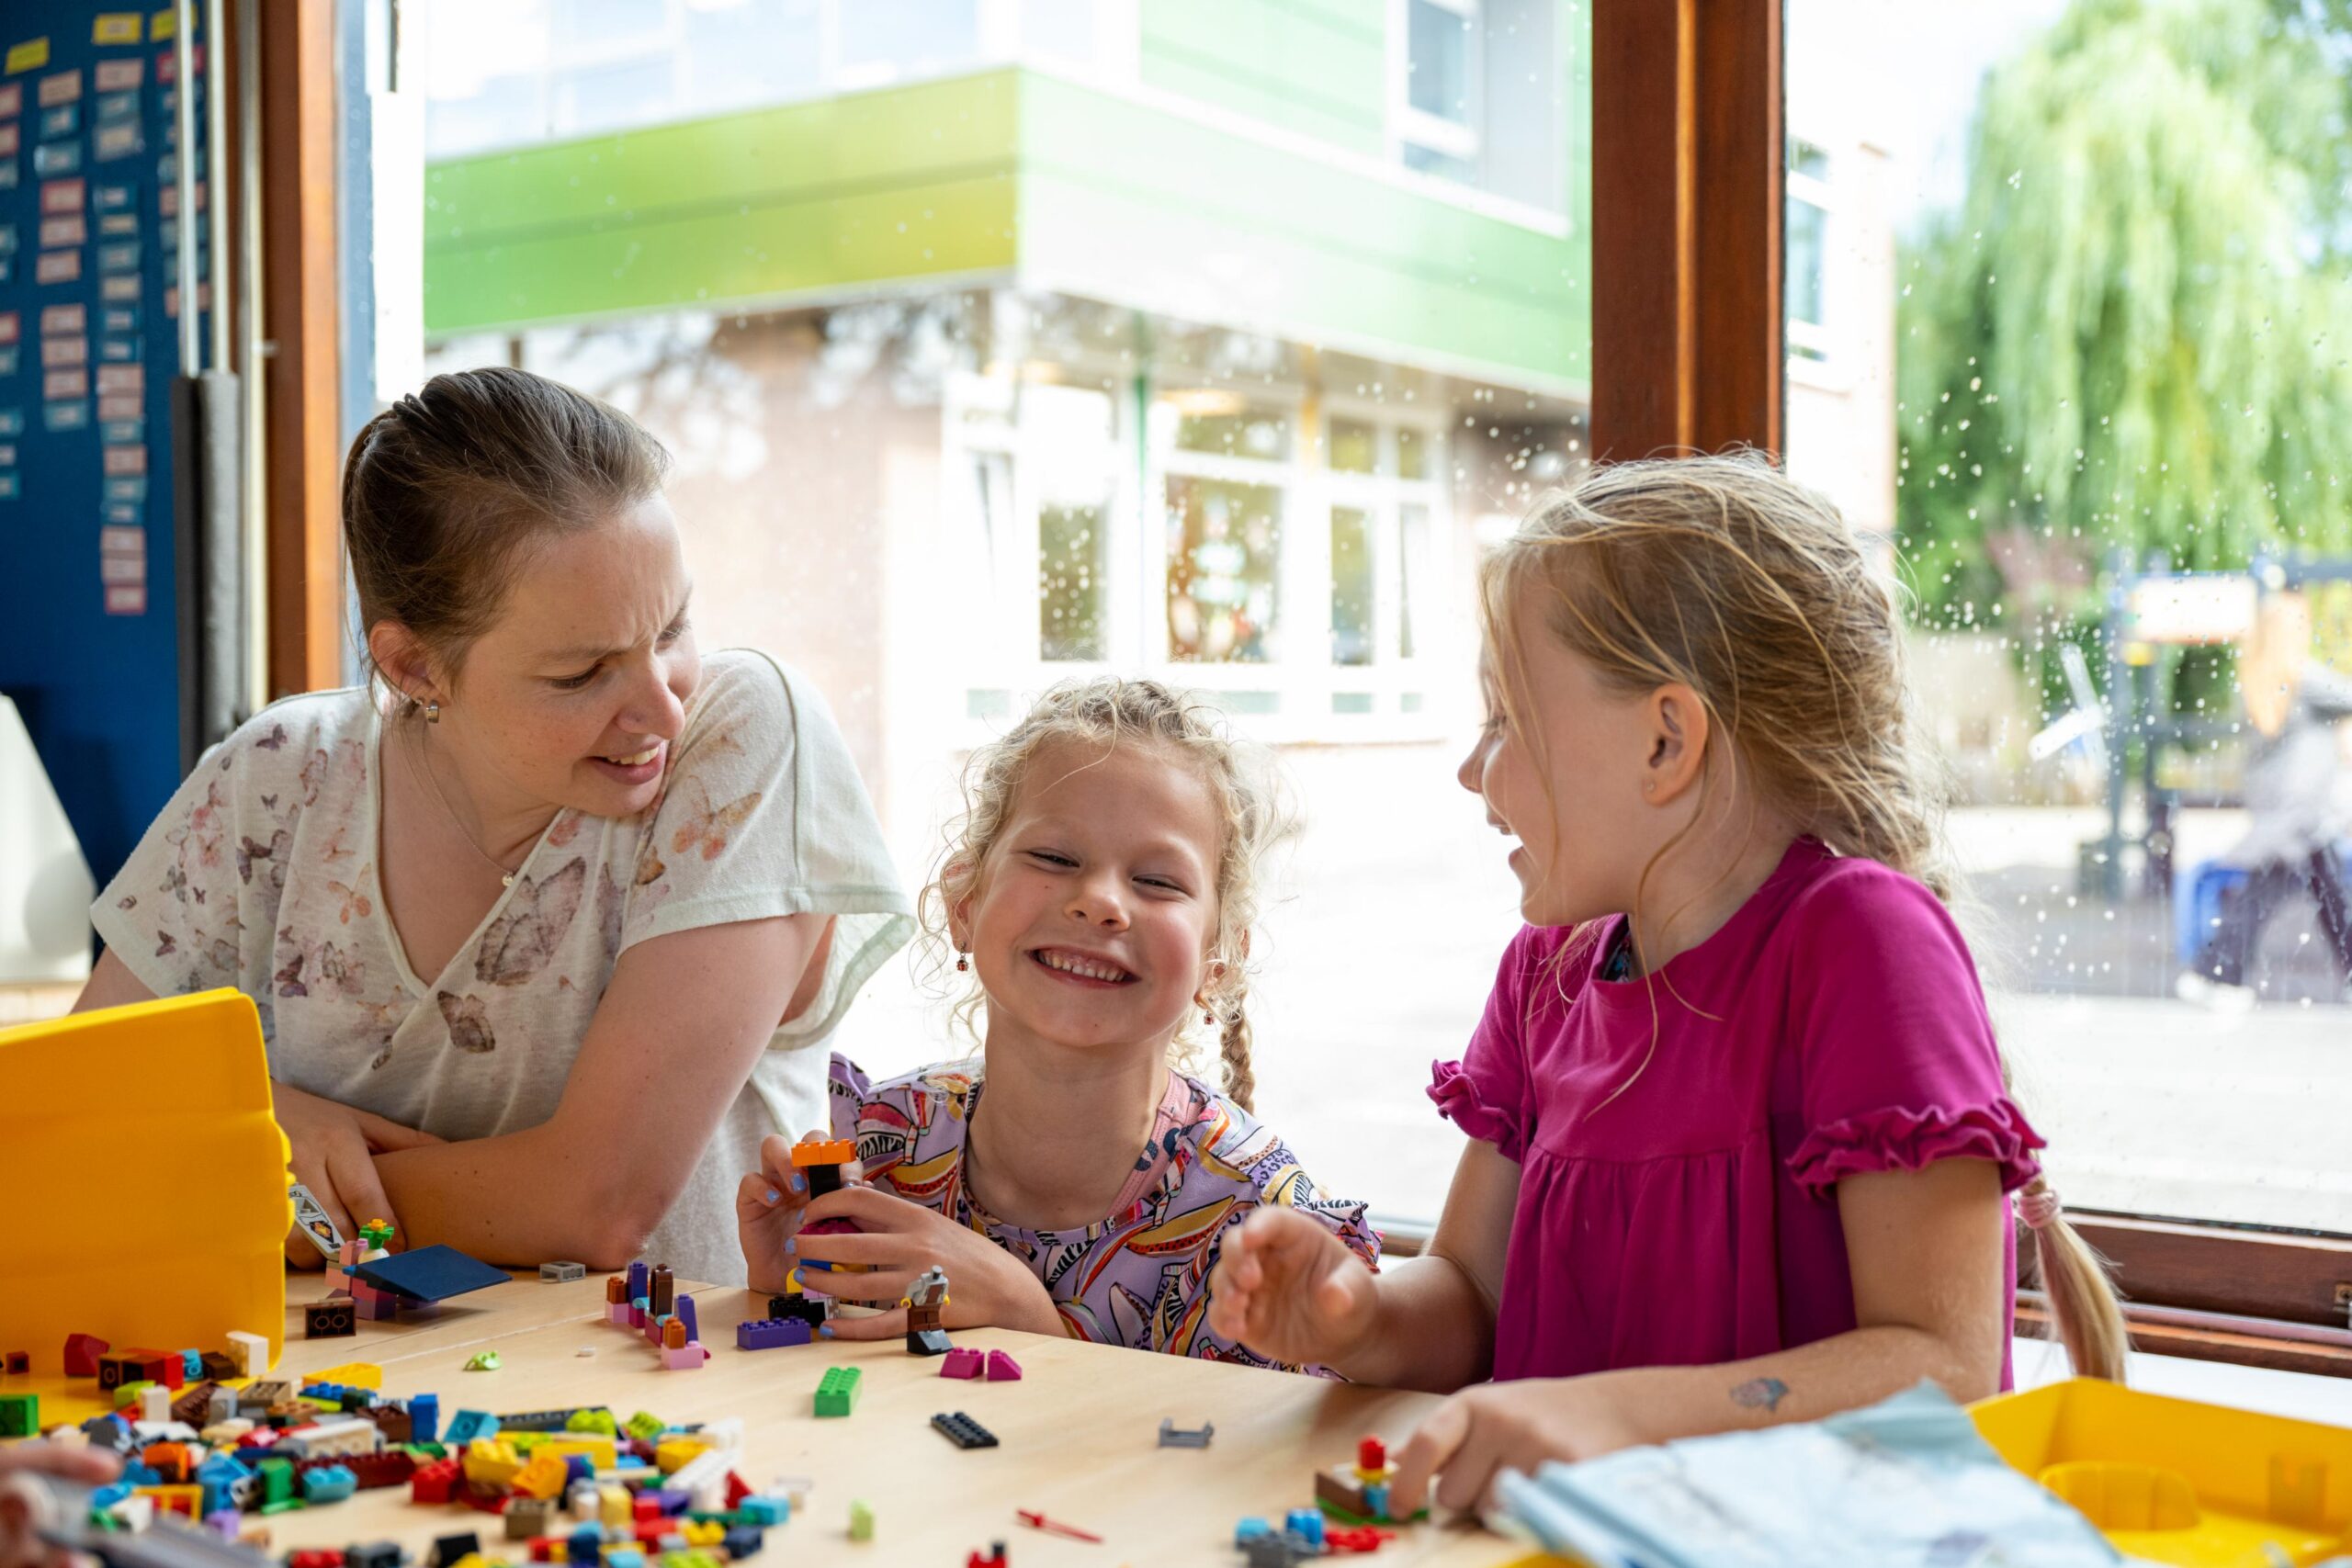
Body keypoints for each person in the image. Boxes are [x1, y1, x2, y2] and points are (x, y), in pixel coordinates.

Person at [1206, 453, 2127, 1506]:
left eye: (1505, 718)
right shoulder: (1542, 981)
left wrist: (1608, 1417)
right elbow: (1469, 1295)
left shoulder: (1860, 943)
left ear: (1664, 740)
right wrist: (1359, 1315)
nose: (1472, 769)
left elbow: (1943, 1370)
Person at [76, 367, 912, 1282]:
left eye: (671, 629)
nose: (661, 712)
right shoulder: (276, 781)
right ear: (416, 668)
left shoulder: (744, 730)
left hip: (684, 1408)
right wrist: (264, 1118)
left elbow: (595, 1206)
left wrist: (241, 1165)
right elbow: (72, 1112)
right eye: (580, 674)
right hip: (325, 1407)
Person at [737, 677, 1376, 1367]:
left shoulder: (1258, 1237)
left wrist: (1022, 1316)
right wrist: (794, 1287)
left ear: (1217, 961)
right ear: (964, 900)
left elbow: (1238, 1469)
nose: (1099, 900)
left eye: (1158, 881)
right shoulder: (880, 1147)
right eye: (1054, 858)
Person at [2177, 590, 2352, 1009]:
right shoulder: (2301, 677)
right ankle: (2215, 972)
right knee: (2295, 891)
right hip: (2302, 811)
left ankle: (2217, 971)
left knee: (2322, 890)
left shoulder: (2259, 676)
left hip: (2282, 809)